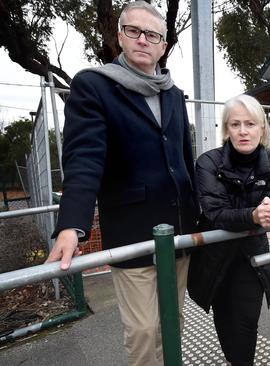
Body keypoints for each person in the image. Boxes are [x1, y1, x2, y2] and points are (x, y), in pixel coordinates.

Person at [45, 2, 198, 365]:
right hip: (132, 233)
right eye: (135, 31)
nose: (143, 40)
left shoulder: (173, 93)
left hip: (176, 231)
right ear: (120, 37)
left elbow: (185, 160)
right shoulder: (95, 86)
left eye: (153, 35)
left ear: (163, 45)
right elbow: (83, 159)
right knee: (144, 330)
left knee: (171, 323)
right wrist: (71, 225)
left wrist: (201, 213)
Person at [188, 94, 270, 366]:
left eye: (250, 124)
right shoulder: (208, 162)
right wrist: (254, 214)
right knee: (224, 318)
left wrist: (268, 211)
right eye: (235, 124)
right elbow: (216, 213)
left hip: (252, 257)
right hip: (215, 257)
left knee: (246, 322)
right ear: (226, 129)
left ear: (262, 128)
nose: (243, 131)